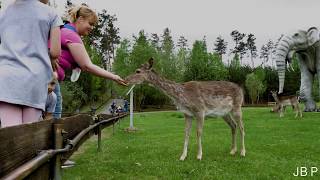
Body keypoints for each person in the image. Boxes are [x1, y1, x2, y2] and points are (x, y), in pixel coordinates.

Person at [52, 4, 127, 119]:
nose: (92, 28)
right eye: (90, 24)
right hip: (50, 79)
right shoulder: (71, 35)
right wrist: (113, 76)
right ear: (80, 19)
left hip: (50, 79)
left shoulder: (64, 30)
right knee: (53, 121)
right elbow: (87, 66)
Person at [0, 0, 62, 128]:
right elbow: (55, 52)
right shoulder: (51, 13)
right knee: (30, 135)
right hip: (35, 79)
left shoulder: (3, 12)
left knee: (11, 134)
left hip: (7, 78)